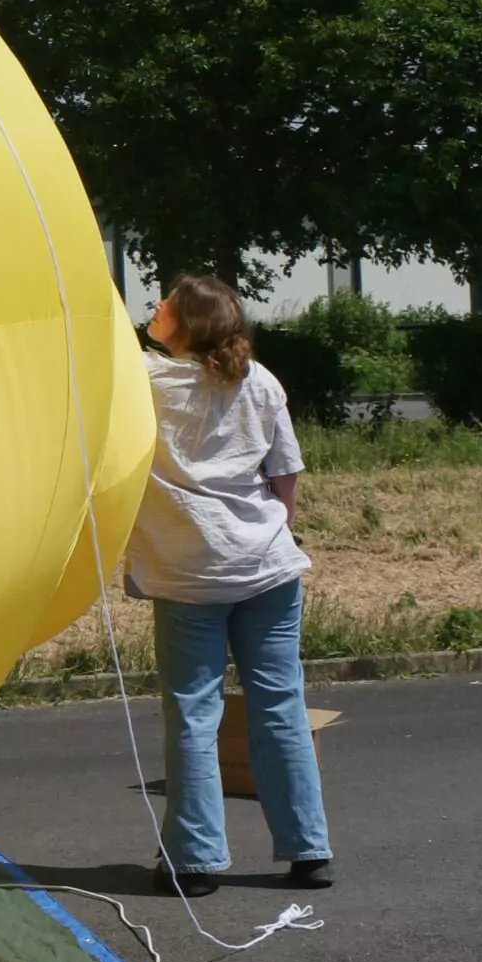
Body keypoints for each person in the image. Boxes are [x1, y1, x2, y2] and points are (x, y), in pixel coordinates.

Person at [124, 273, 334, 897]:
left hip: (188, 574)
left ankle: (194, 860)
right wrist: (274, 535)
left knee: (193, 711)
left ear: (184, 323)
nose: (153, 308)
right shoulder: (261, 380)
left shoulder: (145, 382)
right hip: (267, 566)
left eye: (163, 303)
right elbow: (285, 475)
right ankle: (308, 851)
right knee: (279, 705)